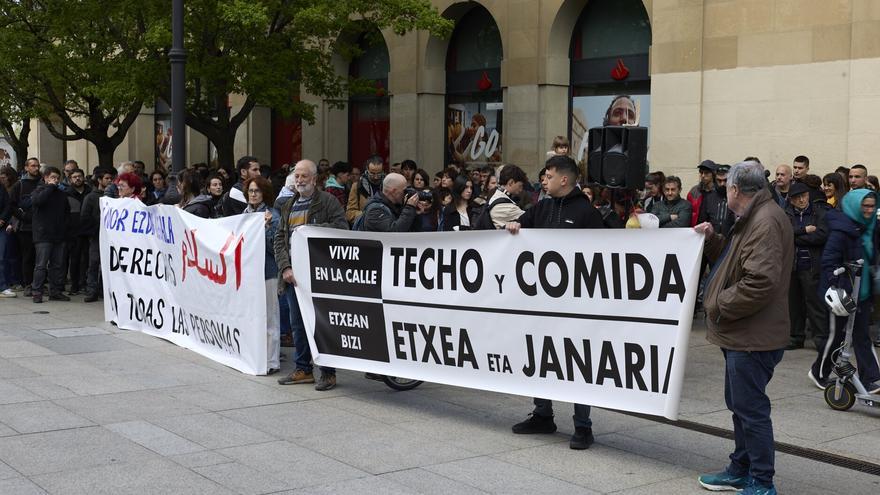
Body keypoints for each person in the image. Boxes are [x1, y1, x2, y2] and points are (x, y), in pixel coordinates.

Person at [695, 161, 792, 495]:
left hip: (752, 335)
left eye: (727, 185)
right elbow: (739, 263)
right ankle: (741, 468)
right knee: (740, 405)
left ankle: (762, 481)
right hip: (744, 332)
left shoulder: (763, 221)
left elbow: (760, 282)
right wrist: (712, 240)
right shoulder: (756, 216)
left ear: (734, 189)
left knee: (750, 410)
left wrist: (716, 303)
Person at [505, 155, 603, 450]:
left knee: (577, 360)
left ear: (564, 179)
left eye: (548, 176)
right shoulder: (542, 207)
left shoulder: (587, 213)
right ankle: (542, 414)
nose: (543, 181)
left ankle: (583, 425)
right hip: (541, 302)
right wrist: (514, 228)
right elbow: (522, 226)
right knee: (539, 355)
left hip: (575, 304)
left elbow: (605, 255)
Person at [274, 160, 348, 390]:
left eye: (304, 176)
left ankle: (328, 373)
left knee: (322, 325)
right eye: (297, 176)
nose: (299, 180)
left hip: (319, 276)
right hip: (293, 277)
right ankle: (303, 369)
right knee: (297, 325)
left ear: (315, 179)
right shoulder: (288, 205)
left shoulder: (328, 202)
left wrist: (311, 231)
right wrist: (285, 267)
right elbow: (279, 239)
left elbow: (342, 228)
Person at [814, 188, 880, 393]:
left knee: (862, 336)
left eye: (872, 205)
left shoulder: (871, 227)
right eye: (865, 206)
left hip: (863, 291)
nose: (869, 210)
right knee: (836, 338)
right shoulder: (842, 231)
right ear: (854, 206)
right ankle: (819, 372)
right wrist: (834, 286)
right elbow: (828, 263)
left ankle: (871, 379)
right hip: (842, 293)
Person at [783, 182, 829, 352]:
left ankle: (821, 339)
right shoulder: (786, 213)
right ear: (792, 200)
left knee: (815, 304)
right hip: (792, 266)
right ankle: (795, 337)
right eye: (797, 198)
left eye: (804, 196)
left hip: (811, 265)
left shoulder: (819, 212)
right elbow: (784, 234)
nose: (801, 200)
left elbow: (821, 236)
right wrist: (805, 230)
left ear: (809, 196)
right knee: (793, 304)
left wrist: (797, 236)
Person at [244, 176, 281, 375]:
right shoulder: (245, 214)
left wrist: (265, 229)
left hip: (268, 273)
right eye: (250, 190)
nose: (253, 194)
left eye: (257, 191)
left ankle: (271, 361)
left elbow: (275, 248)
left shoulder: (272, 216)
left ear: (264, 193)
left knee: (270, 317)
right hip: (250, 274)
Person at [29, 167, 72, 303]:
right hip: (43, 235)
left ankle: (55, 291)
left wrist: (64, 228)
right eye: (53, 177)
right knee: (41, 265)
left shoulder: (61, 194)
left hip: (58, 234)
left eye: (57, 178)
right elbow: (38, 202)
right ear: (46, 178)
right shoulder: (39, 191)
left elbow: (67, 212)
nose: (56, 180)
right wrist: (50, 188)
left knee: (57, 265)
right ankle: (37, 292)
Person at [9, 157, 42, 293]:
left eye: (37, 166)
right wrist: (24, 217)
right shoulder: (19, 185)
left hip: (41, 227)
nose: (36, 168)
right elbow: (12, 205)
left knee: (39, 258)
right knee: (27, 257)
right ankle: (28, 284)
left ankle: (38, 283)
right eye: (33, 166)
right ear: (26, 167)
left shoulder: (43, 183)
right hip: (25, 228)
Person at [82, 168, 113, 302]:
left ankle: (103, 289)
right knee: (94, 263)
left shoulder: (114, 197)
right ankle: (92, 290)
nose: (109, 181)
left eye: (111, 178)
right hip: (96, 235)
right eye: (106, 178)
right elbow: (85, 217)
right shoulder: (91, 197)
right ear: (99, 180)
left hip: (111, 236)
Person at [63, 169, 91, 295]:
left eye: (79, 176)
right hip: (72, 232)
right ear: (70, 180)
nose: (77, 179)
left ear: (83, 177)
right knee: (74, 259)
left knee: (87, 259)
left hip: (88, 231)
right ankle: (74, 285)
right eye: (74, 177)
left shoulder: (90, 192)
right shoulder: (66, 194)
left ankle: (84, 284)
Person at [345, 155, 384, 224]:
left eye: (379, 173)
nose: (375, 177)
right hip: (364, 227)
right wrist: (368, 215)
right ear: (367, 170)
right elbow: (350, 213)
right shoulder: (357, 186)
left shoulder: (388, 184)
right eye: (372, 173)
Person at [487, 164, 527, 229]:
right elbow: (530, 219)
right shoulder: (505, 206)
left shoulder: (497, 195)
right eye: (520, 185)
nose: (521, 189)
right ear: (511, 182)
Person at [687, 161, 716, 227]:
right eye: (701, 172)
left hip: (714, 229)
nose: (703, 175)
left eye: (706, 173)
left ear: (713, 174)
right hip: (697, 228)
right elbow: (688, 212)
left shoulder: (719, 191)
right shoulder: (694, 191)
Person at [0, 166, 14, 297]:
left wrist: (2, 219)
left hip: (1, 226)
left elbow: (8, 206)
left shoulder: (1, 188)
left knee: (2, 256)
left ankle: (3, 286)